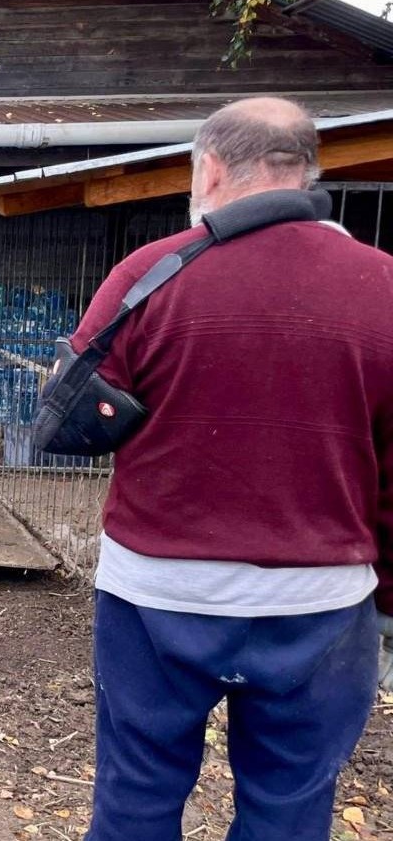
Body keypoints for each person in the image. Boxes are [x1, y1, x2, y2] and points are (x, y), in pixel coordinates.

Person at [67, 97, 393, 841]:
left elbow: (76, 411)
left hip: (157, 593)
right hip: (319, 602)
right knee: (288, 810)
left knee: (137, 800)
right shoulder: (384, 285)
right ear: (307, 172)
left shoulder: (149, 275)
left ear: (209, 170)